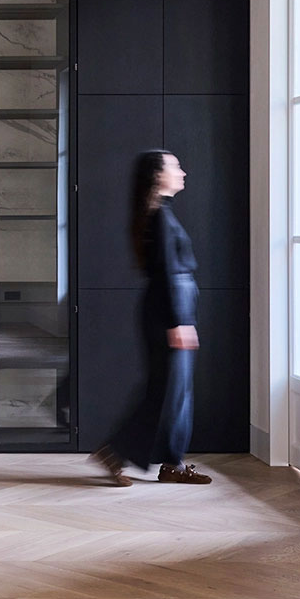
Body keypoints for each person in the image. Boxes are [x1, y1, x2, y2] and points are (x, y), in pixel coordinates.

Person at [92, 150, 213, 487]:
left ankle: (172, 463)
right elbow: (167, 273)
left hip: (170, 311)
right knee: (167, 392)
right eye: (175, 167)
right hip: (167, 314)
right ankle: (116, 451)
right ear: (158, 176)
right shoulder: (160, 218)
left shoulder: (162, 214)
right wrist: (178, 322)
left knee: (175, 392)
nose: (183, 172)